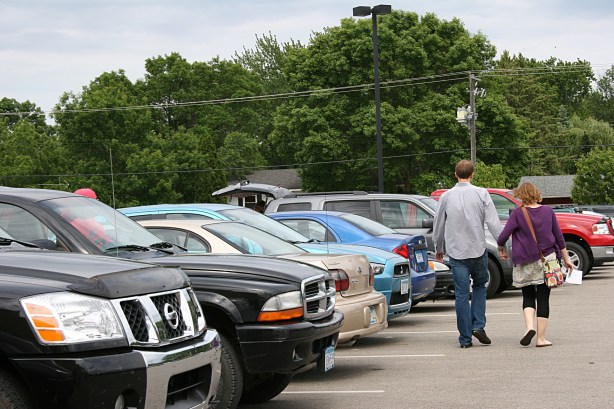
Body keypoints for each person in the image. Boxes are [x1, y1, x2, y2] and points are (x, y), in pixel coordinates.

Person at [433, 160, 506, 348]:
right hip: (478, 249)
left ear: (455, 174)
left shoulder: (446, 196)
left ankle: (465, 338)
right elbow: (493, 221)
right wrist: (501, 243)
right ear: (472, 174)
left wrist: (438, 247)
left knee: (462, 294)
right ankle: (479, 325)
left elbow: (439, 224)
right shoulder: (482, 193)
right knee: (480, 287)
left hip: (457, 252)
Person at [496, 182, 573, 348]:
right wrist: (566, 259)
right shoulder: (548, 211)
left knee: (528, 295)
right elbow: (559, 238)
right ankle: (541, 338)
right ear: (536, 193)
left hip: (525, 261)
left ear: (520, 195)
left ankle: (529, 328)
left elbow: (503, 236)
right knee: (543, 298)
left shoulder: (517, 213)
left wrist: (501, 248)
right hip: (548, 260)